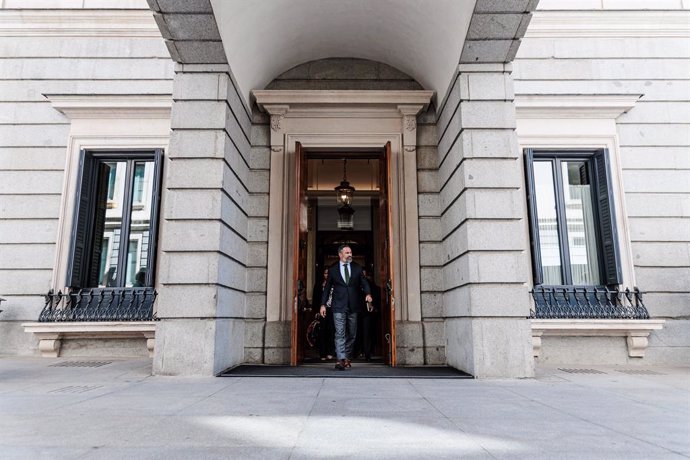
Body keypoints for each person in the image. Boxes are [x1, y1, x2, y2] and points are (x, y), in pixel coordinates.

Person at [320, 244, 372, 370]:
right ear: (340, 254)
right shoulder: (333, 270)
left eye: (350, 252)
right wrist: (323, 305)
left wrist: (368, 294)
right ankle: (340, 359)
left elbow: (364, 282)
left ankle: (346, 357)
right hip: (338, 305)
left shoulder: (357, 268)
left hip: (354, 305)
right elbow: (327, 289)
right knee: (340, 333)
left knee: (352, 334)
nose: (350, 254)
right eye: (347, 252)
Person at [312, 268, 334, 360]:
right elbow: (315, 299)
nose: (327, 275)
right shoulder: (318, 285)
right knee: (322, 331)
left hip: (332, 310)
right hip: (322, 311)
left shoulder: (334, 285)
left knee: (331, 331)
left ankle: (330, 352)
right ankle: (322, 353)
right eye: (325, 273)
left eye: (328, 273)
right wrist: (316, 311)